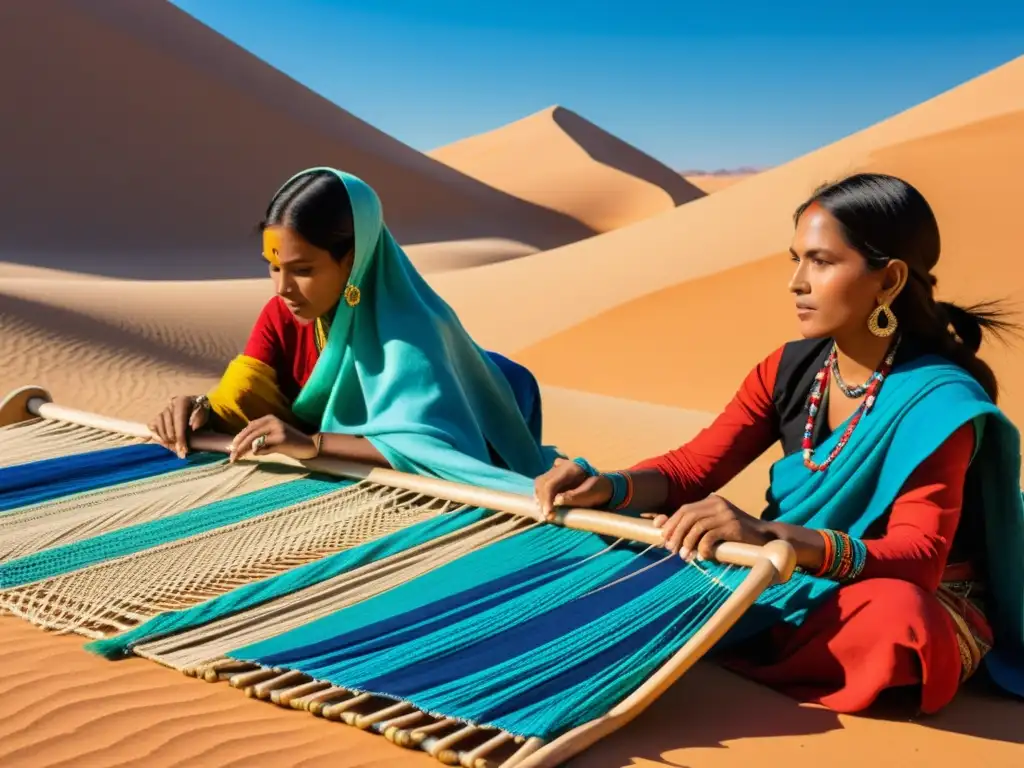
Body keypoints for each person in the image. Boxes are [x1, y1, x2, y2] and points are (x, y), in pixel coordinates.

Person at [533, 172, 1024, 714]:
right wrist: (607, 485)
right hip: (779, 576)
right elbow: (690, 471)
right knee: (609, 544)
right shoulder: (788, 369)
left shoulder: (941, 401)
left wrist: (770, 534)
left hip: (890, 593)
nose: (796, 282)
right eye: (796, 259)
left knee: (899, 623)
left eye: (821, 261)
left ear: (889, 281)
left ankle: (736, 641)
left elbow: (918, 559)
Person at [150, 167, 556, 494]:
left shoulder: (414, 337)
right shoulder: (282, 314)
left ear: (353, 260)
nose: (282, 288)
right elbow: (241, 400)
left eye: (303, 270)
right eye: (274, 267)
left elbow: (429, 448)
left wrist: (313, 445)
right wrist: (197, 410)